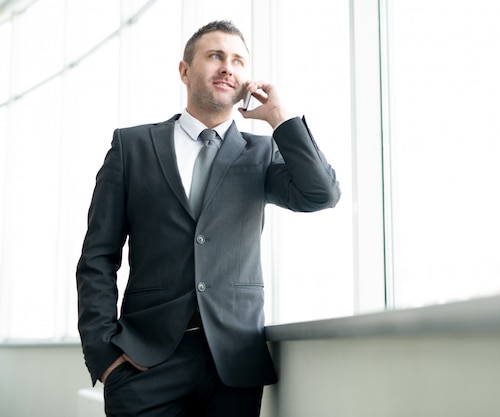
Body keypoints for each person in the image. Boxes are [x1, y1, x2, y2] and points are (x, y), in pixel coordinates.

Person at [76, 20, 340, 417]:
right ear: (184, 70)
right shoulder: (132, 147)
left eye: (238, 61)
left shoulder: (262, 152)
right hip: (143, 364)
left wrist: (281, 119)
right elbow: (97, 256)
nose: (227, 67)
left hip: (232, 365)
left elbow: (321, 194)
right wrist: (104, 355)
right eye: (215, 55)